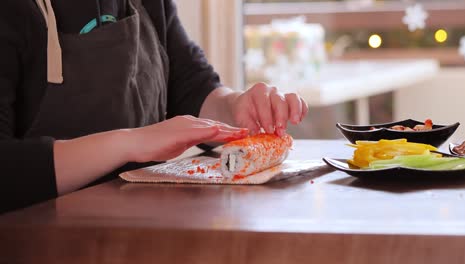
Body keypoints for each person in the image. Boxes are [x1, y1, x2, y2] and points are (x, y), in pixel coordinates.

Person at [0, 0, 308, 213]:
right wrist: (131, 143)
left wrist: (237, 108)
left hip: (139, 231)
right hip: (41, 240)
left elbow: (194, 88)